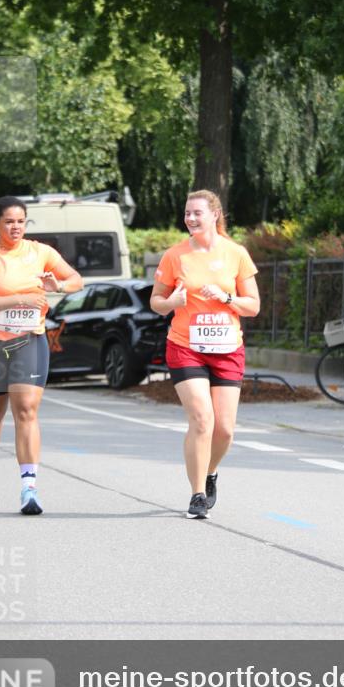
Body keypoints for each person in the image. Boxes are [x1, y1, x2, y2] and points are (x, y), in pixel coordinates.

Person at [0, 196, 83, 515]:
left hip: (30, 340)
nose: (15, 227)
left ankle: (29, 488)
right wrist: (17, 298)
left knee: (27, 410)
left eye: (20, 221)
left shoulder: (40, 252)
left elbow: (76, 281)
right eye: (9, 222)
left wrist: (58, 284)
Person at [151, 189, 260, 519]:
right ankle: (197, 493)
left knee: (224, 429)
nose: (190, 218)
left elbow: (253, 306)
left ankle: (210, 472)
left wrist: (227, 298)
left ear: (215, 214)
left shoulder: (236, 254)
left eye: (197, 213)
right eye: (187, 213)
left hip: (227, 347)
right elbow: (156, 302)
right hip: (186, 346)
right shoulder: (175, 256)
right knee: (202, 419)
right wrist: (172, 303)